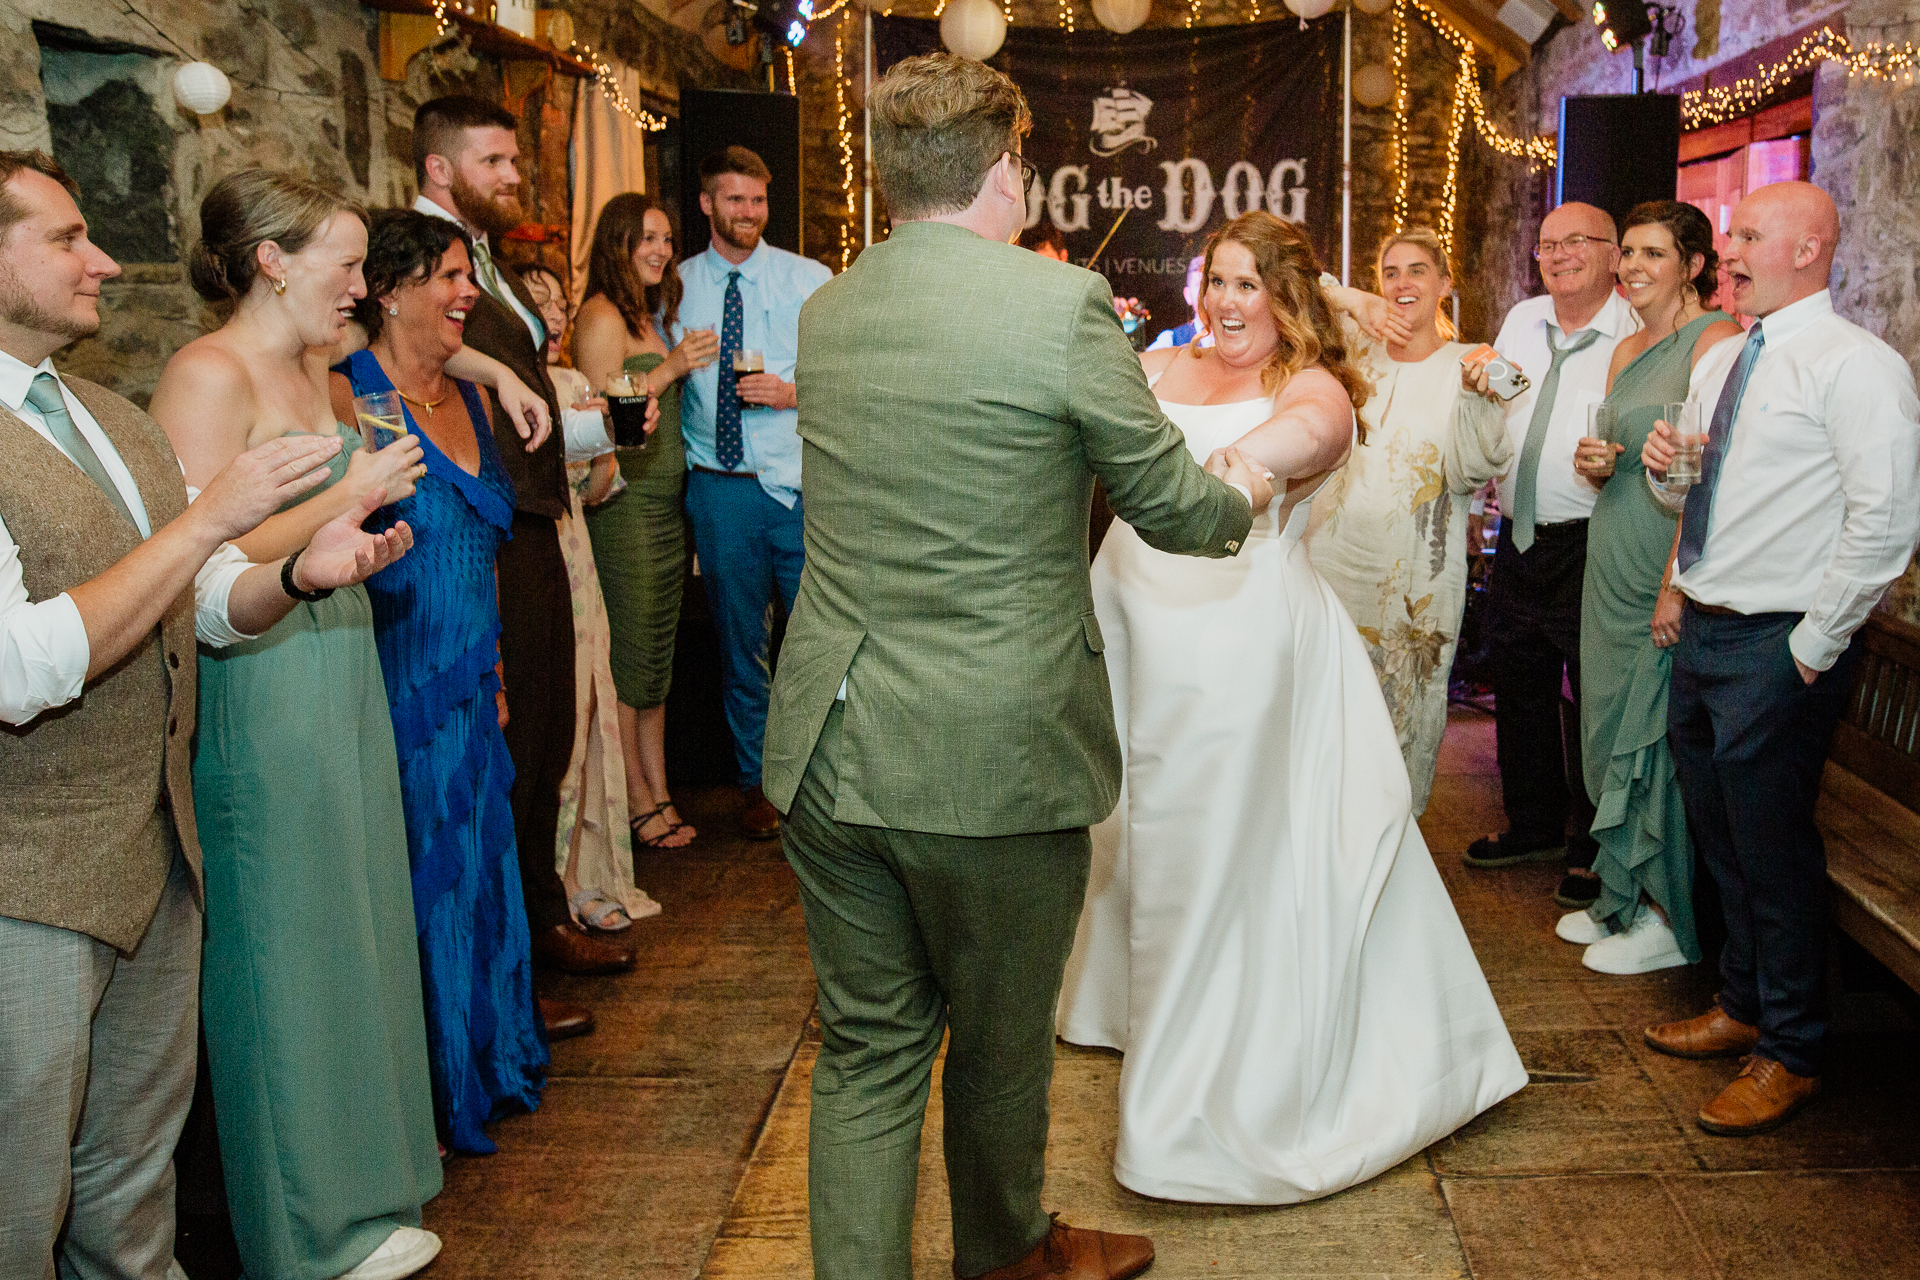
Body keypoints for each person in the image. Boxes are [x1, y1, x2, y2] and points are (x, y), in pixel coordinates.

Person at [765, 54, 1274, 1280]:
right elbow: (1173, 508)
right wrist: (1255, 478)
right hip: (987, 752)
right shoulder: (1057, 307)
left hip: (829, 745)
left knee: (870, 1047)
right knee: (997, 1047)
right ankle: (1003, 1253)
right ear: (1006, 171)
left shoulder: (829, 310)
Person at [1056, 210, 1526, 1204]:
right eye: (1217, 281)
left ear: (1286, 300)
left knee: (1218, 836)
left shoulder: (1313, 391)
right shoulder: (1160, 368)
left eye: (1251, 285)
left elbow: (1301, 437)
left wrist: (1245, 466)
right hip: (1131, 614)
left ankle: (1203, 1054)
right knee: (1125, 820)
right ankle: (1124, 999)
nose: (1228, 302)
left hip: (1233, 633)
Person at [0, 150, 411, 1280]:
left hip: (151, 840)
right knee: (19, 1202)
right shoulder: (168, 393)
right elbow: (20, 666)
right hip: (30, 869)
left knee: (133, 1196)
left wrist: (304, 573)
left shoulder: (101, 421)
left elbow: (205, 609)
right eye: (66, 237)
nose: (106, 258)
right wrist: (214, 523)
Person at [148, 170, 457, 1280]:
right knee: (281, 937)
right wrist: (351, 492)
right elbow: (195, 552)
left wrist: (366, 532)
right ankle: (304, 1228)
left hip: (338, 646)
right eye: (345, 261)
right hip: (256, 672)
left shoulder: (320, 372)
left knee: (357, 913)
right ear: (273, 260)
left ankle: (372, 1188)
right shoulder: (204, 371)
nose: (362, 285)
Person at [1639, 181, 1920, 1135]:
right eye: (1732, 236)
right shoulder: (1729, 361)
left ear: (1810, 249)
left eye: (1750, 235)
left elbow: (1884, 525)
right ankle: (1744, 1002)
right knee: (1721, 835)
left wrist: (1811, 646)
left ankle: (1792, 1050)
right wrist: (1669, 467)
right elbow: (1705, 487)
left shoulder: (1858, 367)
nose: (1731, 251)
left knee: (1773, 847)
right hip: (1710, 628)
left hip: (1779, 641)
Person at [330, 209, 554, 1152]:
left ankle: (495, 1061)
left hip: (473, 672)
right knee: (425, 878)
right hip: (402, 676)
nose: (468, 292)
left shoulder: (471, 393)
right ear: (387, 289)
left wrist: (496, 368)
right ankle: (434, 1089)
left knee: (486, 863)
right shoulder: (351, 393)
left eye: (468, 274)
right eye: (448, 277)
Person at [411, 94, 638, 986]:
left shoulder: (482, 264)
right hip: (486, 521)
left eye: (514, 160)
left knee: (544, 740)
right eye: (494, 162)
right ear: (440, 168)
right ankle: (509, 959)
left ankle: (537, 927)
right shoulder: (422, 258)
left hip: (537, 512)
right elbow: (419, 368)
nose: (513, 176)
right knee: (508, 745)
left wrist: (600, 430)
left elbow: (523, 406)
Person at [1555, 201, 1741, 976]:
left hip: (1663, 560)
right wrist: (1593, 463)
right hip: (1612, 546)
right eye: (1627, 252)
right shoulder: (1626, 344)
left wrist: (1676, 587)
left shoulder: (1718, 340)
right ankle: (1622, 897)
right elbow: (1619, 455)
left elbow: (1712, 478)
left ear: (1693, 266)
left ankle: (1668, 917)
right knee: (1603, 728)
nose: (1631, 266)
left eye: (1652, 254)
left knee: (1654, 739)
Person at [1462, 201, 1641, 909]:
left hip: (1594, 540)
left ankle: (1595, 845)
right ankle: (1533, 823)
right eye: (1547, 245)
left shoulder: (1635, 331)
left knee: (1592, 697)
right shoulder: (1521, 320)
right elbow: (1506, 407)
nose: (1559, 254)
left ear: (1612, 252)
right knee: (1520, 684)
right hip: (1520, 537)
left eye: (1577, 242)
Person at [1306, 228, 1512, 814]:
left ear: (1444, 284)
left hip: (1418, 577)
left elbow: (1484, 456)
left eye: (1417, 270)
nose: (1402, 283)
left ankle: (1393, 841)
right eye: (1390, 272)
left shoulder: (1471, 362)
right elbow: (1289, 288)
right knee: (1330, 704)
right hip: (1333, 561)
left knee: (1405, 710)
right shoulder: (1352, 350)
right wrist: (1354, 300)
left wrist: (1480, 394)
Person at [678, 145, 832, 840]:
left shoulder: (811, 280)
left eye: (757, 200)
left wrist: (793, 392)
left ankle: (818, 781)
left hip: (798, 489)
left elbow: (847, 377)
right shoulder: (674, 288)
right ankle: (756, 784)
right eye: (734, 199)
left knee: (815, 642)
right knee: (742, 647)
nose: (748, 212)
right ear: (708, 203)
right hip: (722, 489)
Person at [572, 193, 719, 851]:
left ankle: (659, 788)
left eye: (666, 239)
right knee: (629, 656)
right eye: (647, 239)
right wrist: (672, 366)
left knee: (656, 661)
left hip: (666, 504)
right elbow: (600, 415)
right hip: (624, 503)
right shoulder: (601, 317)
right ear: (618, 244)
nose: (661, 250)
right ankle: (634, 801)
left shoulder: (652, 316)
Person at [524, 262, 663, 933]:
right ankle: (551, 885)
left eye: (559, 303)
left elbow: (598, 487)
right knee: (553, 719)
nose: (554, 316)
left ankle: (589, 876)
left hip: (576, 551)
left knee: (589, 706)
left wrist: (610, 437)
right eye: (538, 303)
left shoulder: (575, 383)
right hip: (537, 554)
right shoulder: (512, 392)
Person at [1146, 253, 1208, 350]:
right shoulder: (1171, 340)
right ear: (1188, 295)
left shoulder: (1236, 337)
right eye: (1198, 285)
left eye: (1210, 283)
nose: (1205, 291)